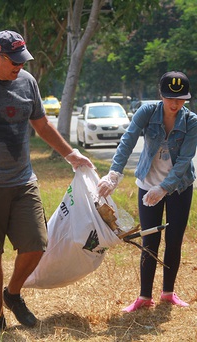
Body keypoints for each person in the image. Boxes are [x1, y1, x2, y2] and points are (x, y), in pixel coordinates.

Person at [0, 30, 95, 339]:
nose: (19, 68)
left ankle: (12, 293)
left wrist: (71, 154)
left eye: (23, 61)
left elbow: (41, 124)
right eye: (13, 62)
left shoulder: (28, 83)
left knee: (37, 243)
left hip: (23, 180)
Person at [98, 71, 197, 312]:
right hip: (147, 185)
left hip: (180, 187)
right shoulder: (147, 112)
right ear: (161, 95)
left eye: (181, 99)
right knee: (149, 240)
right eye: (170, 98)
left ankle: (168, 293)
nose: (175, 104)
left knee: (173, 241)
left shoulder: (191, 121)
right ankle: (144, 296)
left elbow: (185, 159)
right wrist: (114, 173)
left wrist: (164, 188)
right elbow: (128, 140)